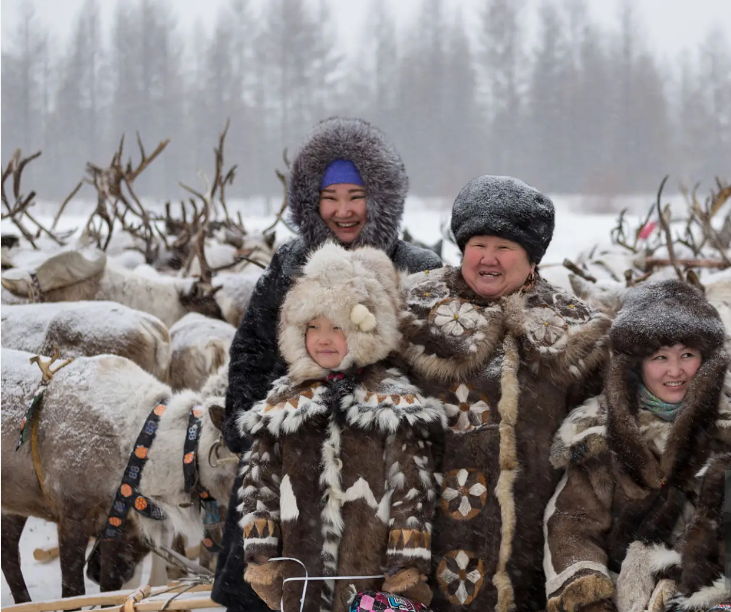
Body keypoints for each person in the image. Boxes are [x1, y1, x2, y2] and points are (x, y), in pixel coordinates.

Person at [212, 117, 441, 612]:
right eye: (329, 196)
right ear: (308, 202)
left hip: (381, 474)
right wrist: (253, 430)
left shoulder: (416, 268)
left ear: (381, 196)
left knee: (377, 588)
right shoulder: (290, 262)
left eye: (356, 195)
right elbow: (251, 350)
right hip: (291, 464)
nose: (343, 211)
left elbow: (434, 365)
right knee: (269, 589)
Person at [399, 175, 611, 611]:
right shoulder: (412, 313)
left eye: (505, 247)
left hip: (533, 548)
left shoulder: (577, 330)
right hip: (429, 540)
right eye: (478, 244)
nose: (488, 259)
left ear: (532, 258)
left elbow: (600, 429)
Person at [238, 242, 442, 612]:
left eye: (337, 326)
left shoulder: (392, 405)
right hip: (300, 575)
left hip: (371, 575)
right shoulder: (282, 406)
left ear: (364, 329)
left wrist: (406, 567)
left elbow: (413, 490)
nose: (324, 338)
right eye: (313, 326)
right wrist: (260, 557)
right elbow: (258, 482)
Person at [544, 279, 730, 612]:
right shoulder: (598, 435)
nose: (676, 371)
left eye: (687, 354)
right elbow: (572, 525)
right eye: (660, 357)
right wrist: (591, 599)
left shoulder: (725, 432)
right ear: (635, 364)